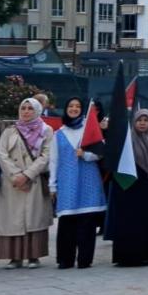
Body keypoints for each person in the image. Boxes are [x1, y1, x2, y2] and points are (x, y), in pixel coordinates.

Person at [109, 109, 148, 267]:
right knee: (133, 223)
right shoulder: (127, 142)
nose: (142, 123)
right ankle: (133, 255)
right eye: (139, 120)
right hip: (132, 190)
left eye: (146, 120)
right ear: (134, 122)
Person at [50, 97, 107, 269]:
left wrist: (86, 155)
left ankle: (84, 259)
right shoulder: (58, 134)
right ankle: (65, 259)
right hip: (67, 181)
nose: (74, 109)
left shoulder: (90, 129)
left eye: (77, 106)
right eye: (70, 106)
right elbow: (53, 161)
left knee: (87, 221)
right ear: (65, 109)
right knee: (67, 220)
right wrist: (52, 185)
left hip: (88, 180)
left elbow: (100, 153)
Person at [0, 99, 53, 268]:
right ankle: (14, 257)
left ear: (37, 110)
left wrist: (27, 175)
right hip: (12, 183)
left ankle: (34, 256)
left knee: (33, 218)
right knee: (13, 220)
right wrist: (16, 176)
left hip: (33, 181)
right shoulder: (9, 131)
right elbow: (2, 155)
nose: (26, 111)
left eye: (30, 108)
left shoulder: (46, 130)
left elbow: (46, 156)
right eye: (23, 108)